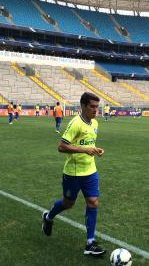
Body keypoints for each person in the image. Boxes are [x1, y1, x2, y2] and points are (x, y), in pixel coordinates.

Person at [42, 92, 105, 256]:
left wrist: (95, 150)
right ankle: (48, 217)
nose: (95, 110)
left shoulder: (95, 124)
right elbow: (61, 146)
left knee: (93, 202)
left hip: (90, 171)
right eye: (92, 106)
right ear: (83, 106)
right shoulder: (76, 123)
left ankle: (90, 243)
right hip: (73, 173)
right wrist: (85, 149)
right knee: (68, 203)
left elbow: (89, 144)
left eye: (97, 107)